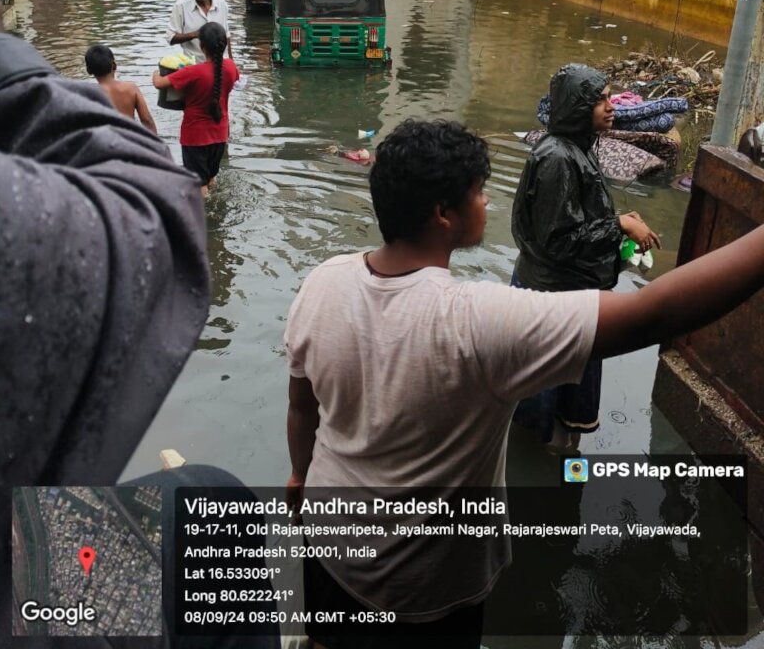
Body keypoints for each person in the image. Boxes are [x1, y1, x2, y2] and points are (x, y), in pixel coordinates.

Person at [284, 117, 764, 646]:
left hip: (327, 541)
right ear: (443, 214)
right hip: (422, 591)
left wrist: (300, 476)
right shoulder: (479, 320)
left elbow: (303, 408)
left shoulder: (324, 279)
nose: (488, 203)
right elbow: (653, 314)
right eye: (479, 193)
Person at [0, 0, 212, 645]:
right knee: (214, 499)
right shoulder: (124, 95)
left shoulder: (84, 103)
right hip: (34, 582)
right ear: (113, 67)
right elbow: (147, 152)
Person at [511, 63, 660, 451]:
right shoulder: (557, 158)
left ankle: (560, 464)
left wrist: (618, 223)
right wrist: (618, 227)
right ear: (578, 106)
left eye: (610, 97)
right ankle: (551, 482)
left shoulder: (579, 147)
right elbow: (558, 240)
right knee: (550, 404)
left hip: (571, 294)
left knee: (563, 398)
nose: (611, 107)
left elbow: (574, 222)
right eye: (600, 100)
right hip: (554, 299)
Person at [153, 21, 239, 196]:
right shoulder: (231, 67)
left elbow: (159, 83)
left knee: (198, 184)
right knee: (210, 178)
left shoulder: (194, 72)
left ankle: (206, 218)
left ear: (201, 46)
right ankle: (217, 208)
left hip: (195, 137)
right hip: (220, 134)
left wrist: (155, 73)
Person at [84, 43, 158, 135]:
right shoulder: (131, 88)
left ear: (89, 70)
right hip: (129, 141)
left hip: (103, 143)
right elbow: (147, 120)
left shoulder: (88, 94)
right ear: (114, 65)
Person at [166, 0, 233, 61]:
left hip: (221, 64)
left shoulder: (221, 4)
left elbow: (226, 35)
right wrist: (195, 34)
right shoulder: (181, 6)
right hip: (195, 64)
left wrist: (231, 63)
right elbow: (170, 38)